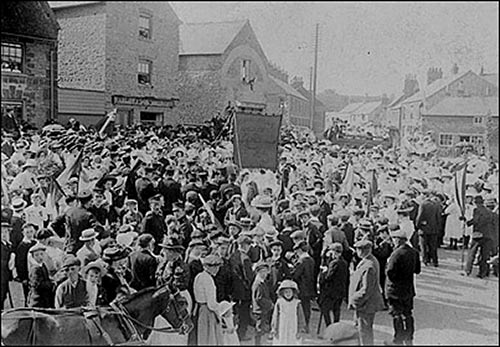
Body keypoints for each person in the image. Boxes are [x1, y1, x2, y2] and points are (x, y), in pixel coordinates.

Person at [385, 228, 421, 346]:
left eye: (394, 239)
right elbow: (417, 270)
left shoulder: (396, 254)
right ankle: (409, 337)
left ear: (399, 240)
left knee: (397, 315)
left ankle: (398, 339)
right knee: (408, 314)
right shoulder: (414, 252)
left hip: (395, 290)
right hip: (408, 289)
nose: (393, 241)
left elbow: (390, 271)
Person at [348, 239, 385, 346]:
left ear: (363, 251)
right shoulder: (369, 261)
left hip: (365, 305)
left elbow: (366, 290)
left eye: (358, 249)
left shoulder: (369, 266)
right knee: (361, 330)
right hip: (366, 304)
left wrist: (354, 299)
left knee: (364, 332)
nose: (356, 251)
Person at [461, 195, 495, 278]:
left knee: (472, 253)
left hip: (478, 234)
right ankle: (482, 273)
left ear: (475, 202)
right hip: (489, 235)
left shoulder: (477, 210)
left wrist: (467, 222)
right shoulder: (490, 212)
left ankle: (467, 270)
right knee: (484, 255)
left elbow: (476, 220)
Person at [193, 254, 224, 345]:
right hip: (208, 311)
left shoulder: (199, 276)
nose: (217, 269)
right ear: (208, 267)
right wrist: (221, 309)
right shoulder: (208, 279)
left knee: (203, 337)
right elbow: (211, 303)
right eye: (215, 267)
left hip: (200, 309)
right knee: (210, 338)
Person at [229, 234, 254, 341]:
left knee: (236, 313)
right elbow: (249, 276)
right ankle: (241, 335)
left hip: (234, 290)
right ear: (245, 245)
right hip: (244, 291)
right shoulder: (246, 258)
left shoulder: (233, 255)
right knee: (244, 313)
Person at [318, 242, 349, 326]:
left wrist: (324, 272)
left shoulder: (334, 263)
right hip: (340, 290)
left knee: (325, 309)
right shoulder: (344, 262)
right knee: (336, 310)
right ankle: (336, 327)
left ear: (334, 252)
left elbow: (328, 277)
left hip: (331, 291)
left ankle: (329, 326)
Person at [270, 279, 306, 345]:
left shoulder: (297, 303)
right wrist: (274, 329)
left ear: (293, 292)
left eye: (290, 292)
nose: (288, 294)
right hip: (282, 328)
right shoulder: (279, 302)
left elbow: (301, 317)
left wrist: (301, 329)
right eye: (286, 292)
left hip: (293, 327)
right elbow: (275, 316)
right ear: (282, 293)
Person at [290, 240, 316, 333]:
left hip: (301, 287)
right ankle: (307, 325)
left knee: (301, 308)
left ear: (299, 250)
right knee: (307, 308)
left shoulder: (301, 261)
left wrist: (292, 268)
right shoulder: (311, 260)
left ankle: (303, 326)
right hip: (309, 287)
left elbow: (295, 275)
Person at [415, 191, 441, 267]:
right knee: (433, 246)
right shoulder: (436, 205)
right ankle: (435, 261)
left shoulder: (423, 204)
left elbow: (419, 217)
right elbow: (439, 218)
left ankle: (425, 260)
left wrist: (418, 226)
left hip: (424, 229)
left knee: (423, 246)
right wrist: (437, 227)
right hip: (434, 229)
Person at [14, 222, 37, 306]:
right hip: (27, 275)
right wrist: (23, 278)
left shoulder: (35, 243)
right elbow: (20, 263)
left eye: (31, 231)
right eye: (27, 232)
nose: (30, 234)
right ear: (23, 233)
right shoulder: (21, 246)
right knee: (28, 295)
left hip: (35, 273)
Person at [251, 261, 273, 345]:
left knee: (262, 328)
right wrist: (270, 304)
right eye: (262, 272)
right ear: (257, 272)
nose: (264, 274)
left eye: (265, 271)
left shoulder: (262, 282)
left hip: (262, 310)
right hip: (259, 310)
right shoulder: (258, 284)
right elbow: (259, 299)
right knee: (259, 329)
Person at [27, 243, 55, 308]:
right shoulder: (35, 269)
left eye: (41, 254)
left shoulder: (43, 265)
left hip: (45, 297)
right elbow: (38, 285)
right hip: (37, 299)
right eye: (36, 255)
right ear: (33, 257)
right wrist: (51, 284)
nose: (40, 257)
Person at [1, 221, 16, 310]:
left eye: (6, 232)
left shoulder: (8, 245)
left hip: (5, 276)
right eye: (2, 232)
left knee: (3, 295)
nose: (4, 234)